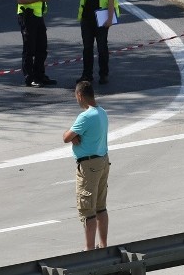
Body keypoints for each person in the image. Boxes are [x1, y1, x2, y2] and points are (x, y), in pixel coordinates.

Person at [63, 80, 110, 251]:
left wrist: (72, 137)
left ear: (80, 95)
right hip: (103, 160)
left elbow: (66, 137)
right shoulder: (102, 112)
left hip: (89, 166)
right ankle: (103, 245)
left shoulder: (85, 116)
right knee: (101, 207)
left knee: (87, 209)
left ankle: (89, 250)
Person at [77, 0, 121, 85]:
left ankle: (103, 74)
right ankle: (87, 75)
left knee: (102, 49)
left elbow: (111, 0)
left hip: (101, 21)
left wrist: (109, 19)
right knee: (87, 48)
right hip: (86, 20)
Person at [16, 0, 56, 87]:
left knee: (42, 48)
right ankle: (30, 78)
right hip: (27, 17)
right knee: (29, 49)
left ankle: (40, 75)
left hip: (38, 17)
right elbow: (20, 0)